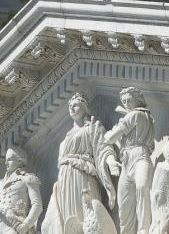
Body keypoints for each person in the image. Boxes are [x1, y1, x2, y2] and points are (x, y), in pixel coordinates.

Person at [42, 93, 120, 234]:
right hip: (65, 178)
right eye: (70, 106)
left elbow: (103, 147)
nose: (72, 108)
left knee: (85, 208)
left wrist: (111, 161)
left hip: (83, 174)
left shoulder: (92, 128)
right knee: (68, 214)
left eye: (76, 105)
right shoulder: (66, 137)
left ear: (85, 108)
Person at [104, 87, 154, 234]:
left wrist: (113, 131)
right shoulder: (141, 116)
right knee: (124, 201)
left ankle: (144, 228)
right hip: (127, 161)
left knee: (142, 188)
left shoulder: (136, 115)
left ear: (138, 100)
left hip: (140, 156)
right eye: (124, 101)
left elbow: (109, 138)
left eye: (129, 100)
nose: (126, 103)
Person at [0, 147, 43, 234]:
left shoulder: (28, 179)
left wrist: (26, 225)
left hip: (16, 224)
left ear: (19, 160)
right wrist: (6, 210)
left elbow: (37, 205)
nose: (5, 163)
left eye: (9, 160)